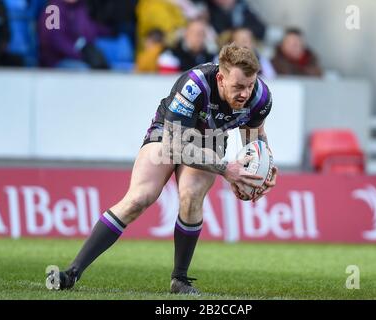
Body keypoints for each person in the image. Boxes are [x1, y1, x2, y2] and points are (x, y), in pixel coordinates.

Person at [46, 43, 278, 295]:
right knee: (139, 198)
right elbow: (175, 147)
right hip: (170, 133)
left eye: (250, 85)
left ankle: (179, 280)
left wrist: (261, 170)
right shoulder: (194, 85)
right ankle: (73, 272)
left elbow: (254, 139)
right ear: (221, 78)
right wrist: (226, 168)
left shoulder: (260, 98)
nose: (245, 93)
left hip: (211, 137)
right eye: (238, 87)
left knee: (191, 196)